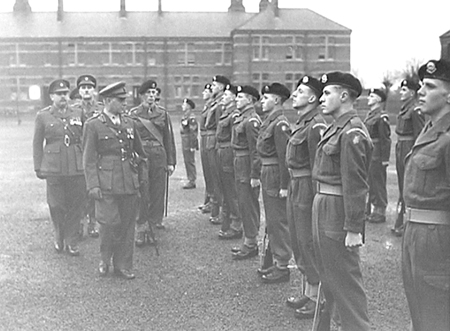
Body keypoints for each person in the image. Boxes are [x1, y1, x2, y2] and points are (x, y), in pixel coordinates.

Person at [312, 72, 372, 331]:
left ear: (344, 96)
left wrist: (353, 228)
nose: (321, 99)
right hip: (324, 204)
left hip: (337, 209)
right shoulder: (336, 127)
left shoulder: (352, 131)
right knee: (329, 275)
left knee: (345, 281)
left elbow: (355, 184)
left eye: (327, 93)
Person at [402, 59, 450, 331]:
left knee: (436, 315)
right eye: (421, 84)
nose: (421, 90)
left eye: (430, 86)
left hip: (437, 237)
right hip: (416, 233)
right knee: (419, 310)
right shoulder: (429, 130)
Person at [83, 81, 147, 279]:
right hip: (106, 183)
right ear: (108, 101)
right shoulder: (93, 125)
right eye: (121, 100)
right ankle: (105, 259)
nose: (124, 103)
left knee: (127, 226)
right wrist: (92, 185)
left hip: (128, 181)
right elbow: (88, 159)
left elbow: (140, 153)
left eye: (124, 99)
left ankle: (123, 264)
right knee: (109, 224)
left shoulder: (129, 123)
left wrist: (140, 175)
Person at [285, 76, 327, 318]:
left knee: (308, 242)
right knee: (298, 241)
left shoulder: (315, 126)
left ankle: (316, 298)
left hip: (306, 188)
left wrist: (314, 202)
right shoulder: (302, 123)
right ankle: (308, 290)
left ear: (312, 98)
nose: (294, 94)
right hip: (295, 184)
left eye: (300, 91)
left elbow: (316, 167)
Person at [33, 79, 86, 256]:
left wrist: (88, 163)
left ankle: (71, 240)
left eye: (65, 93)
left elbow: (86, 139)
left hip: (76, 165)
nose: (63, 97)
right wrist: (38, 167)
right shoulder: (43, 116)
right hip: (53, 166)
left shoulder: (79, 112)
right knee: (56, 204)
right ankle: (59, 234)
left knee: (75, 204)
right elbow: (37, 143)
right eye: (59, 94)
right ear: (51, 96)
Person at [129, 80, 176, 247]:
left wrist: (171, 162)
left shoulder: (163, 114)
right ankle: (141, 227)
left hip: (158, 155)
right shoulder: (133, 114)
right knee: (142, 191)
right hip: (142, 156)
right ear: (141, 95)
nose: (151, 96)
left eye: (154, 93)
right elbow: (130, 139)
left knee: (157, 191)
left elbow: (168, 139)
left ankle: (154, 224)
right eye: (148, 93)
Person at [256, 83, 293, 284]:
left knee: (278, 220)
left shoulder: (280, 124)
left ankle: (282, 265)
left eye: (266, 98)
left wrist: (284, 185)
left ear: (277, 100)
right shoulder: (269, 121)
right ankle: (274, 260)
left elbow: (283, 157)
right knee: (272, 218)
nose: (262, 101)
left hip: (275, 173)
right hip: (267, 171)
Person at [230, 85, 262, 260]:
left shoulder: (251, 121)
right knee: (243, 202)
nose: (237, 99)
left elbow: (256, 151)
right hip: (239, 163)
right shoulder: (242, 118)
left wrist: (255, 175)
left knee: (248, 204)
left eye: (240, 97)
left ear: (250, 100)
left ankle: (251, 243)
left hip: (246, 165)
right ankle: (248, 240)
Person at [393, 78, 424, 236]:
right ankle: (400, 219)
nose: (401, 92)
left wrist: (415, 156)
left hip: (409, 148)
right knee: (401, 184)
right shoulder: (405, 109)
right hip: (401, 147)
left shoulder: (415, 110)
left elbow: (419, 135)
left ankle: (405, 221)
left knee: (407, 185)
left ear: (412, 93)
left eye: (404, 90)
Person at [74, 74, 103, 238]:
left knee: (94, 188)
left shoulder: (100, 109)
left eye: (89, 87)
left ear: (94, 91)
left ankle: (93, 223)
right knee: (79, 191)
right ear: (79, 91)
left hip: (96, 155)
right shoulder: (74, 109)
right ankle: (79, 223)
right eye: (83, 88)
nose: (86, 90)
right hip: (78, 154)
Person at [216, 84, 242, 240]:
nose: (223, 97)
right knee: (224, 189)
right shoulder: (226, 113)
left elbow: (235, 140)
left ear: (233, 98)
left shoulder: (234, 116)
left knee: (232, 192)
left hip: (228, 153)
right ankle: (227, 222)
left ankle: (236, 225)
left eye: (226, 95)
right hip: (221, 152)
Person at [205, 75, 229, 225]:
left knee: (218, 178)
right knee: (212, 176)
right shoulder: (214, 102)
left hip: (215, 141)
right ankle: (214, 206)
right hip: (210, 141)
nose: (212, 88)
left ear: (220, 87)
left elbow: (221, 127)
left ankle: (219, 210)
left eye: (214, 85)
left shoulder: (220, 105)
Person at [364, 88, 391, 224]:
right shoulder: (370, 115)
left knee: (378, 182)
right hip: (370, 152)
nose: (369, 97)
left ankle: (380, 211)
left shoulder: (381, 117)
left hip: (377, 154)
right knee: (370, 181)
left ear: (379, 100)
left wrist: (385, 159)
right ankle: (371, 209)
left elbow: (385, 139)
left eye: (372, 96)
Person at [198, 83, 214, 213]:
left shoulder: (213, 106)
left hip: (209, 138)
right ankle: (208, 200)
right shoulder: (207, 106)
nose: (204, 93)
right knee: (207, 171)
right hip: (204, 137)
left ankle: (212, 202)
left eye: (206, 91)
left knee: (211, 172)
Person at [180, 98, 199, 189]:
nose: (182, 106)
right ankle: (190, 178)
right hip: (185, 139)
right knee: (187, 160)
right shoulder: (186, 116)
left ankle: (192, 180)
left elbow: (193, 131)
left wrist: (193, 145)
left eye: (184, 104)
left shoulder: (191, 117)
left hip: (188, 140)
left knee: (190, 160)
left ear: (188, 106)